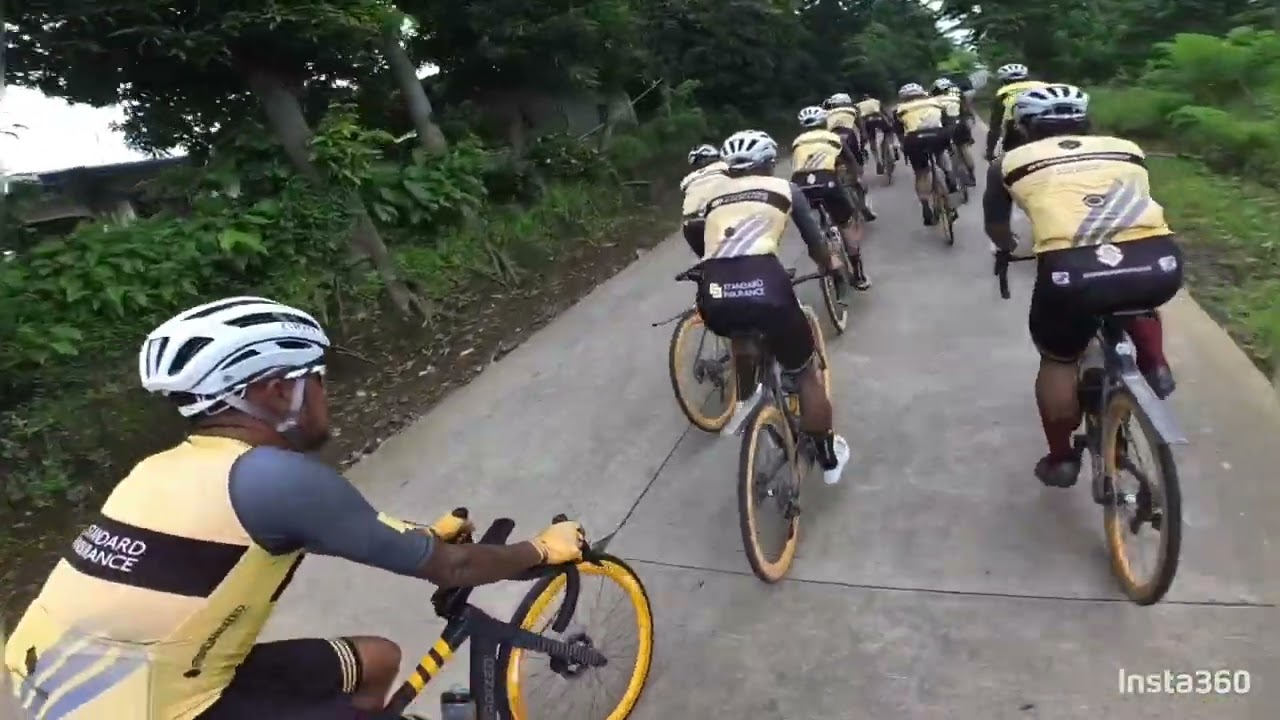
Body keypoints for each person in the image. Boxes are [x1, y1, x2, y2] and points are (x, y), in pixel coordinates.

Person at [3, 297, 589, 719]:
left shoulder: (162, 467)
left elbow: (319, 530)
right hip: (155, 706)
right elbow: (453, 569)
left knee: (378, 660)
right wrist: (542, 548)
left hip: (64, 678)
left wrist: (419, 534)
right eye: (318, 379)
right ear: (277, 391)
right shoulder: (278, 478)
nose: (326, 396)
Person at [983, 84, 1183, 488]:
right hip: (1160, 263)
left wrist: (1006, 249)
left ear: (1024, 126)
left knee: (1058, 358)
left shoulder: (1008, 161)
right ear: (1085, 120)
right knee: (1138, 298)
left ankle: (1061, 460)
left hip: (1071, 275)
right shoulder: (1127, 148)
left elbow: (998, 227)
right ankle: (1156, 367)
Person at [694, 130, 851, 484]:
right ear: (768, 163)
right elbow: (815, 243)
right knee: (805, 373)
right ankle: (828, 459)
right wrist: (833, 268)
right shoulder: (784, 189)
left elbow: (702, 238)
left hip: (714, 290)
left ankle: (746, 400)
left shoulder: (711, 198)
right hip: (766, 284)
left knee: (738, 326)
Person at [792, 106, 871, 290]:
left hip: (800, 184)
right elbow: (849, 160)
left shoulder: (797, 142)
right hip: (827, 181)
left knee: (816, 225)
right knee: (846, 223)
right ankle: (858, 275)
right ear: (824, 122)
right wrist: (856, 177)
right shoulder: (832, 138)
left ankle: (830, 261)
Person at [893, 82, 957, 226]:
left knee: (921, 174)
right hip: (938, 135)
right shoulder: (935, 102)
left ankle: (925, 207)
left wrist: (904, 147)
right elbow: (946, 122)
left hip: (915, 139)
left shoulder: (899, 109)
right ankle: (948, 173)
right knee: (941, 152)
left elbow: (899, 132)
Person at [823, 93, 876, 222]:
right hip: (849, 138)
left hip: (829, 141)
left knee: (834, 168)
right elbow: (862, 132)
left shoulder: (825, 113)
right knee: (857, 170)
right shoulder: (853, 110)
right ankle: (863, 204)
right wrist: (862, 147)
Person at [984, 63, 1049, 161]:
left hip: (1015, 129)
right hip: (1046, 123)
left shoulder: (1003, 93)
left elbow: (995, 127)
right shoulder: (1041, 86)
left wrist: (990, 151)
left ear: (1003, 81)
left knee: (1006, 164)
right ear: (1027, 77)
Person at [680, 143, 729, 256]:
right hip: (720, 218)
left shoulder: (688, 180)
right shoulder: (725, 167)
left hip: (692, 226)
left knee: (707, 260)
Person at [930, 79, 976, 186]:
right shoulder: (957, 96)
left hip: (944, 128)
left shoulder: (933, 101)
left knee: (941, 151)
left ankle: (948, 175)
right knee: (964, 148)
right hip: (960, 124)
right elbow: (966, 111)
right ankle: (971, 174)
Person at [855, 93, 894, 175]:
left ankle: (878, 161)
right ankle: (891, 147)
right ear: (870, 98)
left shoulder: (858, 105)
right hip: (878, 118)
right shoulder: (876, 101)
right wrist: (890, 119)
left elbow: (858, 119)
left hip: (867, 121)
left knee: (872, 141)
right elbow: (883, 112)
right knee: (888, 132)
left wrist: (862, 131)